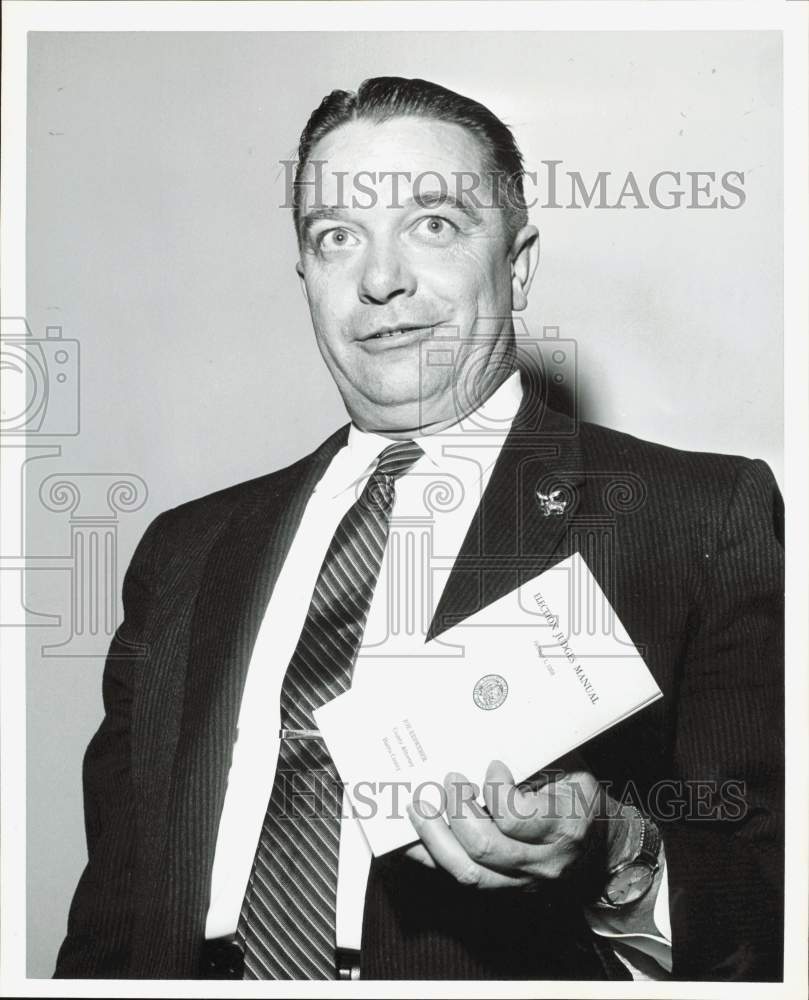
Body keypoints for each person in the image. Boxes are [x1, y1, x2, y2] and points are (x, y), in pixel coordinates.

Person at [54, 77, 784, 982]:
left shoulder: (696, 517)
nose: (379, 278)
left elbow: (768, 897)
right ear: (305, 279)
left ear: (516, 265)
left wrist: (620, 854)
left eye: (432, 224)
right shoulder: (184, 550)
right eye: (336, 238)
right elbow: (112, 909)